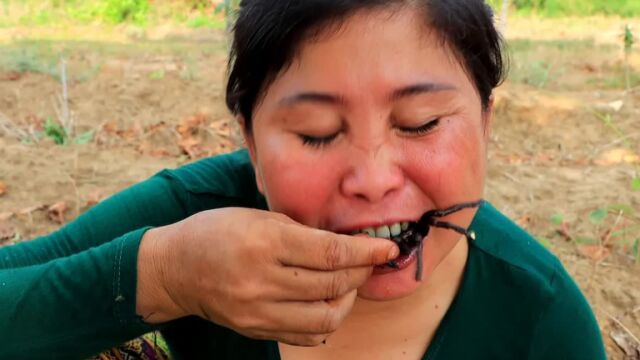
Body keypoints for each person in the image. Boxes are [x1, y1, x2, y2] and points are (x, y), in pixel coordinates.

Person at [0, 0, 607, 359]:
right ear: (250, 142)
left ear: (486, 122)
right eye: (317, 132)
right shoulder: (195, 221)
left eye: (420, 124)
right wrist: (163, 276)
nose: (371, 180)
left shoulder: (543, 322)